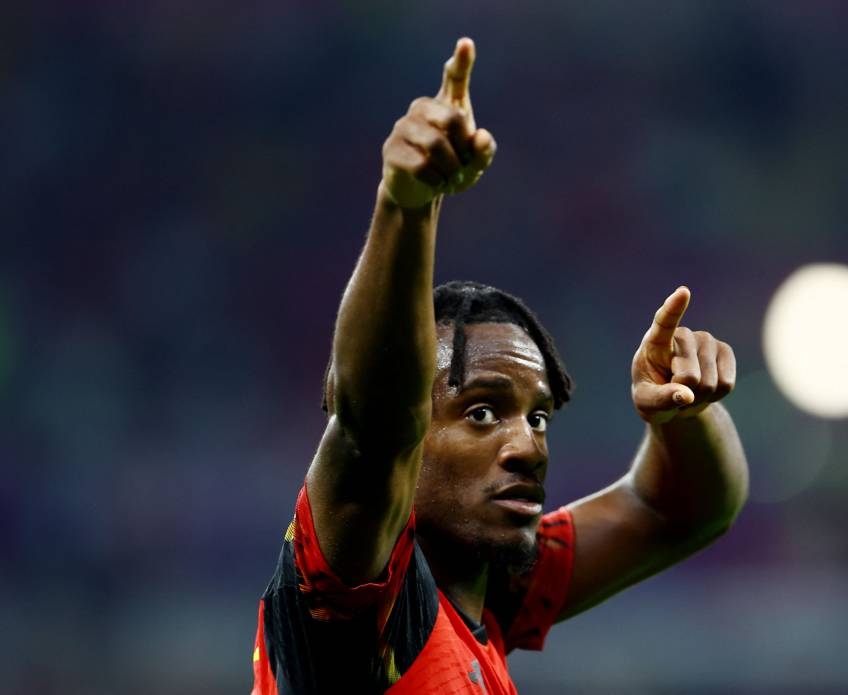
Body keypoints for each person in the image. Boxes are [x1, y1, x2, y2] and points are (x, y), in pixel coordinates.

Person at [250, 37, 748, 695]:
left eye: (538, 417)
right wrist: (407, 204)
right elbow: (373, 424)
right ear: (413, 441)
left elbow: (679, 511)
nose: (528, 446)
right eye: (481, 411)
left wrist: (687, 415)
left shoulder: (491, 589)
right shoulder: (361, 596)